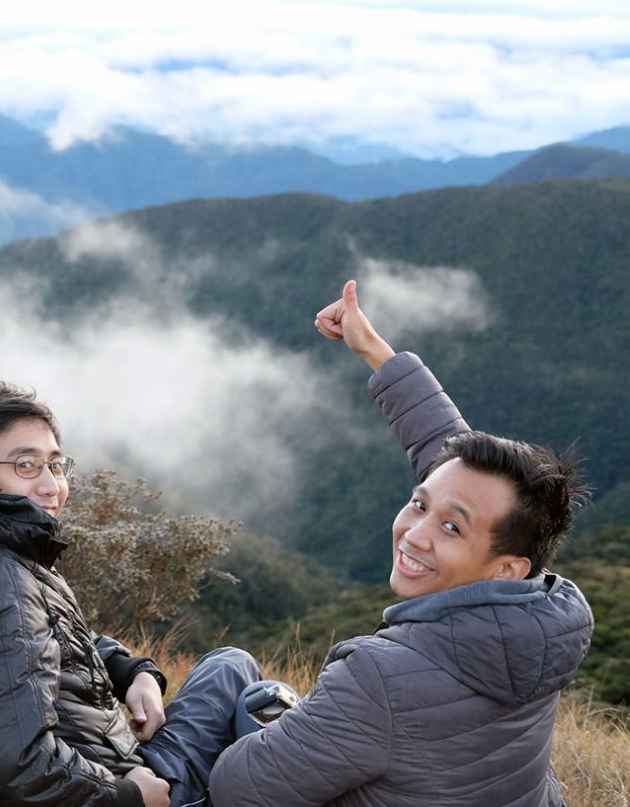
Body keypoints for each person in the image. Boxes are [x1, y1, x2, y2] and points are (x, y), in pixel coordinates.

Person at [208, 279, 594, 807]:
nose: (415, 533)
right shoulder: (544, 626)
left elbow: (239, 789)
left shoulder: (380, 678)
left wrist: (266, 734)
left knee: (251, 697)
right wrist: (374, 351)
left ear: (508, 567)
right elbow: (449, 463)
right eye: (419, 504)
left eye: (451, 527)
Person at [0, 382, 264, 807]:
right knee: (266, 701)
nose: (51, 487)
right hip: (124, 787)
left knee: (229, 665)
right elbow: (18, 768)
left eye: (56, 466)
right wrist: (129, 796)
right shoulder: (0, 583)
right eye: (26, 465)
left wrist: (135, 673)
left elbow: (47, 639)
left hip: (109, 760)